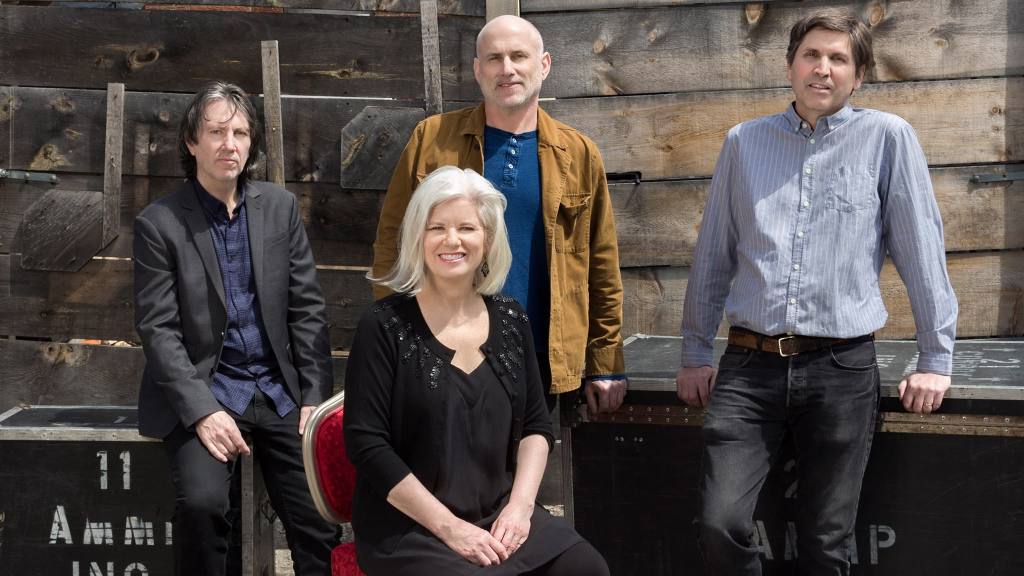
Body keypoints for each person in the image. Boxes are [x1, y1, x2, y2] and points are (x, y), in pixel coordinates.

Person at [676, 10, 958, 575]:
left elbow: (920, 252)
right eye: (811, 55)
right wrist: (695, 351)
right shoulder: (744, 143)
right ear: (790, 65)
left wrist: (936, 356)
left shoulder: (888, 139)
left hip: (840, 369)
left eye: (838, 59)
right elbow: (714, 255)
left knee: (826, 541)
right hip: (748, 369)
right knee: (719, 522)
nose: (822, 69)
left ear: (858, 76)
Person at [344, 166, 609, 576]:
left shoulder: (510, 318)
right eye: (437, 228)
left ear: (487, 239)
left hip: (501, 514)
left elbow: (538, 426)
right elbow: (368, 446)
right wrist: (451, 529)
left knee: (585, 567)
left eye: (466, 227)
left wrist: (520, 511)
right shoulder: (383, 326)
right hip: (414, 528)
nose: (452, 241)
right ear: (418, 237)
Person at [371, 15, 626, 415]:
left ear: (543, 64)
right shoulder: (431, 139)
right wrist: (396, 341)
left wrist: (605, 363)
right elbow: (392, 244)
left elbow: (602, 265)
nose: (506, 69)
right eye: (493, 58)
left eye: (518, 56)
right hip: (445, 346)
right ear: (477, 69)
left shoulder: (578, 154)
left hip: (540, 354)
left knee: (528, 469)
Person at [133, 81, 337, 575]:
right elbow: (158, 330)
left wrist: (314, 397)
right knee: (203, 508)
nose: (231, 144)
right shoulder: (159, 223)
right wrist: (203, 413)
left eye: (241, 132)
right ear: (192, 142)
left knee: (321, 517)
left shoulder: (280, 208)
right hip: (207, 392)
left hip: (280, 394)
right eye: (217, 131)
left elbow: (307, 309)